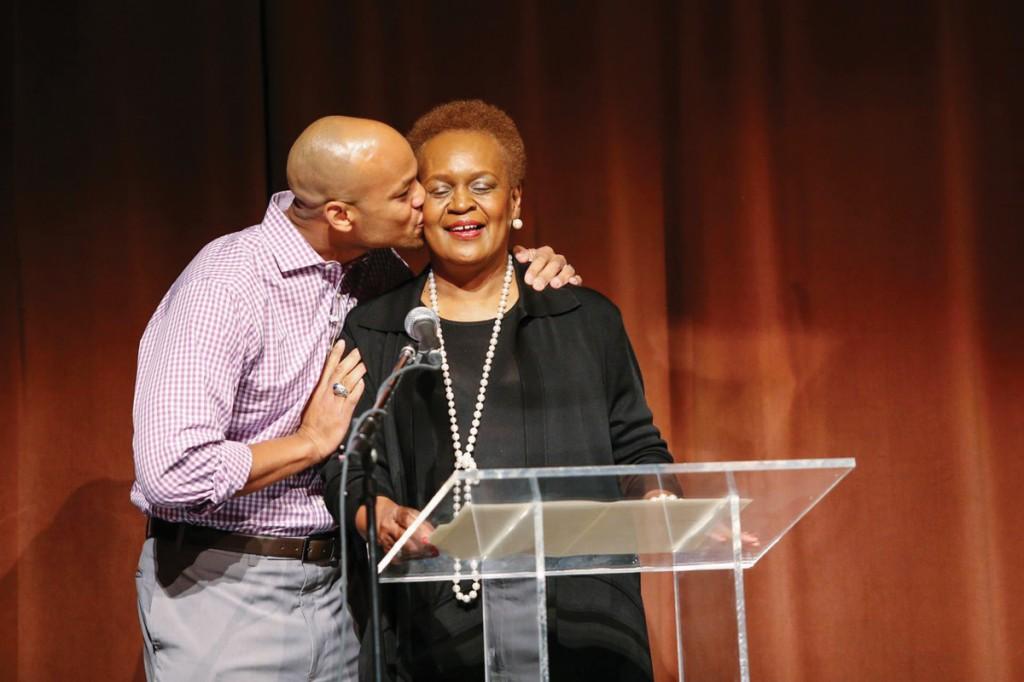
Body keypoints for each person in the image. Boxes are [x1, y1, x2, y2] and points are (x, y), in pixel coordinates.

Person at [130, 114, 580, 681]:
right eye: (405, 192)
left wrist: (531, 266)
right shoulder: (226, 286)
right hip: (228, 581)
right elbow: (172, 472)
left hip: (346, 587)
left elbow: (465, 287)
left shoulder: (374, 269)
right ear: (341, 215)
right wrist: (310, 442)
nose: (427, 200)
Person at [323, 100, 671, 681]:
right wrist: (379, 513)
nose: (461, 204)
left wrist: (666, 506)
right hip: (431, 634)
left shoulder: (585, 319)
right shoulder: (379, 328)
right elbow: (351, 466)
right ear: (418, 207)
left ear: (514, 203)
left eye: (482, 186)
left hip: (585, 631)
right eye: (440, 189)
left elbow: (636, 446)